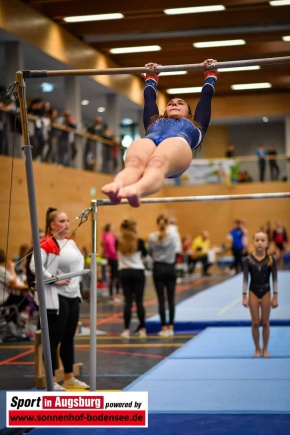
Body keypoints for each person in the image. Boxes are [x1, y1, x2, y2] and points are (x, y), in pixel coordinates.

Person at [102, 59, 219, 207]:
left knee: (157, 163)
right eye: (170, 104)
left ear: (189, 114)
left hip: (178, 148)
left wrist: (211, 73)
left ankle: (137, 190)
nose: (174, 104)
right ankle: (117, 186)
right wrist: (151, 77)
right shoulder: (154, 122)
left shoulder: (197, 124)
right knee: (134, 162)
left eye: (180, 103)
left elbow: (206, 96)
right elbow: (149, 98)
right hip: (152, 144)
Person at [30, 207, 89, 391]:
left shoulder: (70, 242)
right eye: (62, 221)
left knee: (69, 338)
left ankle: (69, 377)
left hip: (73, 295)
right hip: (56, 297)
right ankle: (52, 379)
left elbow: (77, 262)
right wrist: (53, 279)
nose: (67, 224)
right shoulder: (46, 243)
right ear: (52, 225)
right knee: (53, 339)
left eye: (67, 220)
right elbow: (34, 266)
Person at [242, 231, 278, 357]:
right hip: (253, 291)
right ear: (253, 242)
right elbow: (245, 279)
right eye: (257, 240)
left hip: (266, 291)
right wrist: (244, 296)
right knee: (255, 322)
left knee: (266, 321)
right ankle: (257, 349)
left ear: (267, 243)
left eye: (263, 240)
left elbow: (274, 279)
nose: (260, 243)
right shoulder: (248, 260)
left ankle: (265, 349)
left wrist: (275, 296)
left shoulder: (271, 259)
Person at [117, 219, 147, 338]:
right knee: (139, 301)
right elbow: (145, 254)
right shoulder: (138, 240)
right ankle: (143, 329)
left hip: (125, 271)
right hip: (138, 271)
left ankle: (126, 330)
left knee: (128, 302)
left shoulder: (118, 241)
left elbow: (116, 252)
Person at [148, 215, 177, 337]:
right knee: (171, 299)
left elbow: (150, 252)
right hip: (170, 268)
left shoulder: (152, 237)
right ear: (167, 224)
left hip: (158, 268)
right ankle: (171, 327)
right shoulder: (173, 236)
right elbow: (176, 250)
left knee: (161, 300)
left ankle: (164, 327)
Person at [0, 249, 31, 340]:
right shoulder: (1, 270)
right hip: (3, 298)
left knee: (20, 300)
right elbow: (14, 283)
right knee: (26, 299)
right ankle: (10, 319)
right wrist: (12, 269)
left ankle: (11, 320)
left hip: (4, 296)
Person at [102, 223, 121, 303]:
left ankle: (114, 294)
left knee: (114, 277)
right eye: (112, 227)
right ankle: (113, 295)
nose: (114, 228)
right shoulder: (108, 237)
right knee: (115, 277)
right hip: (113, 258)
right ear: (109, 228)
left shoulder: (110, 236)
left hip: (112, 258)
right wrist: (117, 254)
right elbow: (112, 248)